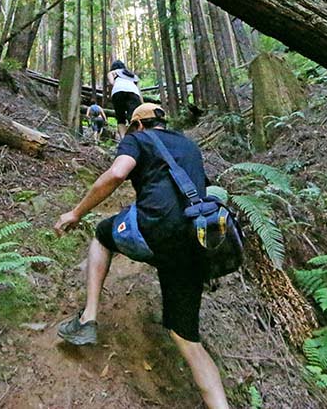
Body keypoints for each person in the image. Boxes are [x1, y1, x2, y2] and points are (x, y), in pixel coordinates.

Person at [53, 103, 229, 409]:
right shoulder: (189, 144)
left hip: (154, 229)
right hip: (193, 242)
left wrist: (76, 212)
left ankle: (88, 317)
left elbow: (117, 173)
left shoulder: (137, 138)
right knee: (188, 339)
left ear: (138, 125)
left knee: (102, 235)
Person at [106, 59, 141, 140]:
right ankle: (137, 137)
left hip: (118, 92)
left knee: (120, 118)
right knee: (134, 117)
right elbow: (139, 91)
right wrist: (142, 104)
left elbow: (112, 83)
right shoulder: (133, 75)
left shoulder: (112, 72)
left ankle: (124, 140)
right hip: (134, 93)